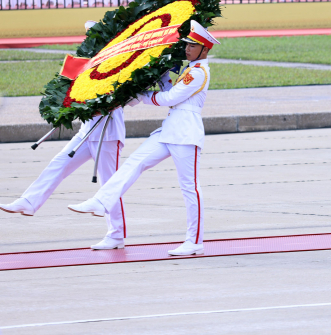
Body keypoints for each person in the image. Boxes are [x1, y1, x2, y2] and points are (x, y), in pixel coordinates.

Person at [68, 20, 219, 256]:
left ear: (205, 49)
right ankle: (101, 201)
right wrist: (158, 76)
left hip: (186, 134)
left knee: (190, 188)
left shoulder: (199, 73)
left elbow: (170, 98)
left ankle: (194, 241)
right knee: (134, 163)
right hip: (170, 130)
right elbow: (169, 90)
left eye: (192, 46)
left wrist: (142, 95)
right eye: (187, 44)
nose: (187, 49)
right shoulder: (189, 70)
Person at [0, 20, 128, 250]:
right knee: (58, 163)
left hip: (107, 134)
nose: (90, 41)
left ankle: (116, 234)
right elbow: (68, 91)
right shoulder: (83, 62)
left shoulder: (118, 63)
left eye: (95, 37)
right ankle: (29, 201)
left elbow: (129, 96)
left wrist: (111, 103)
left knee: (110, 185)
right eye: (89, 37)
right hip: (86, 131)